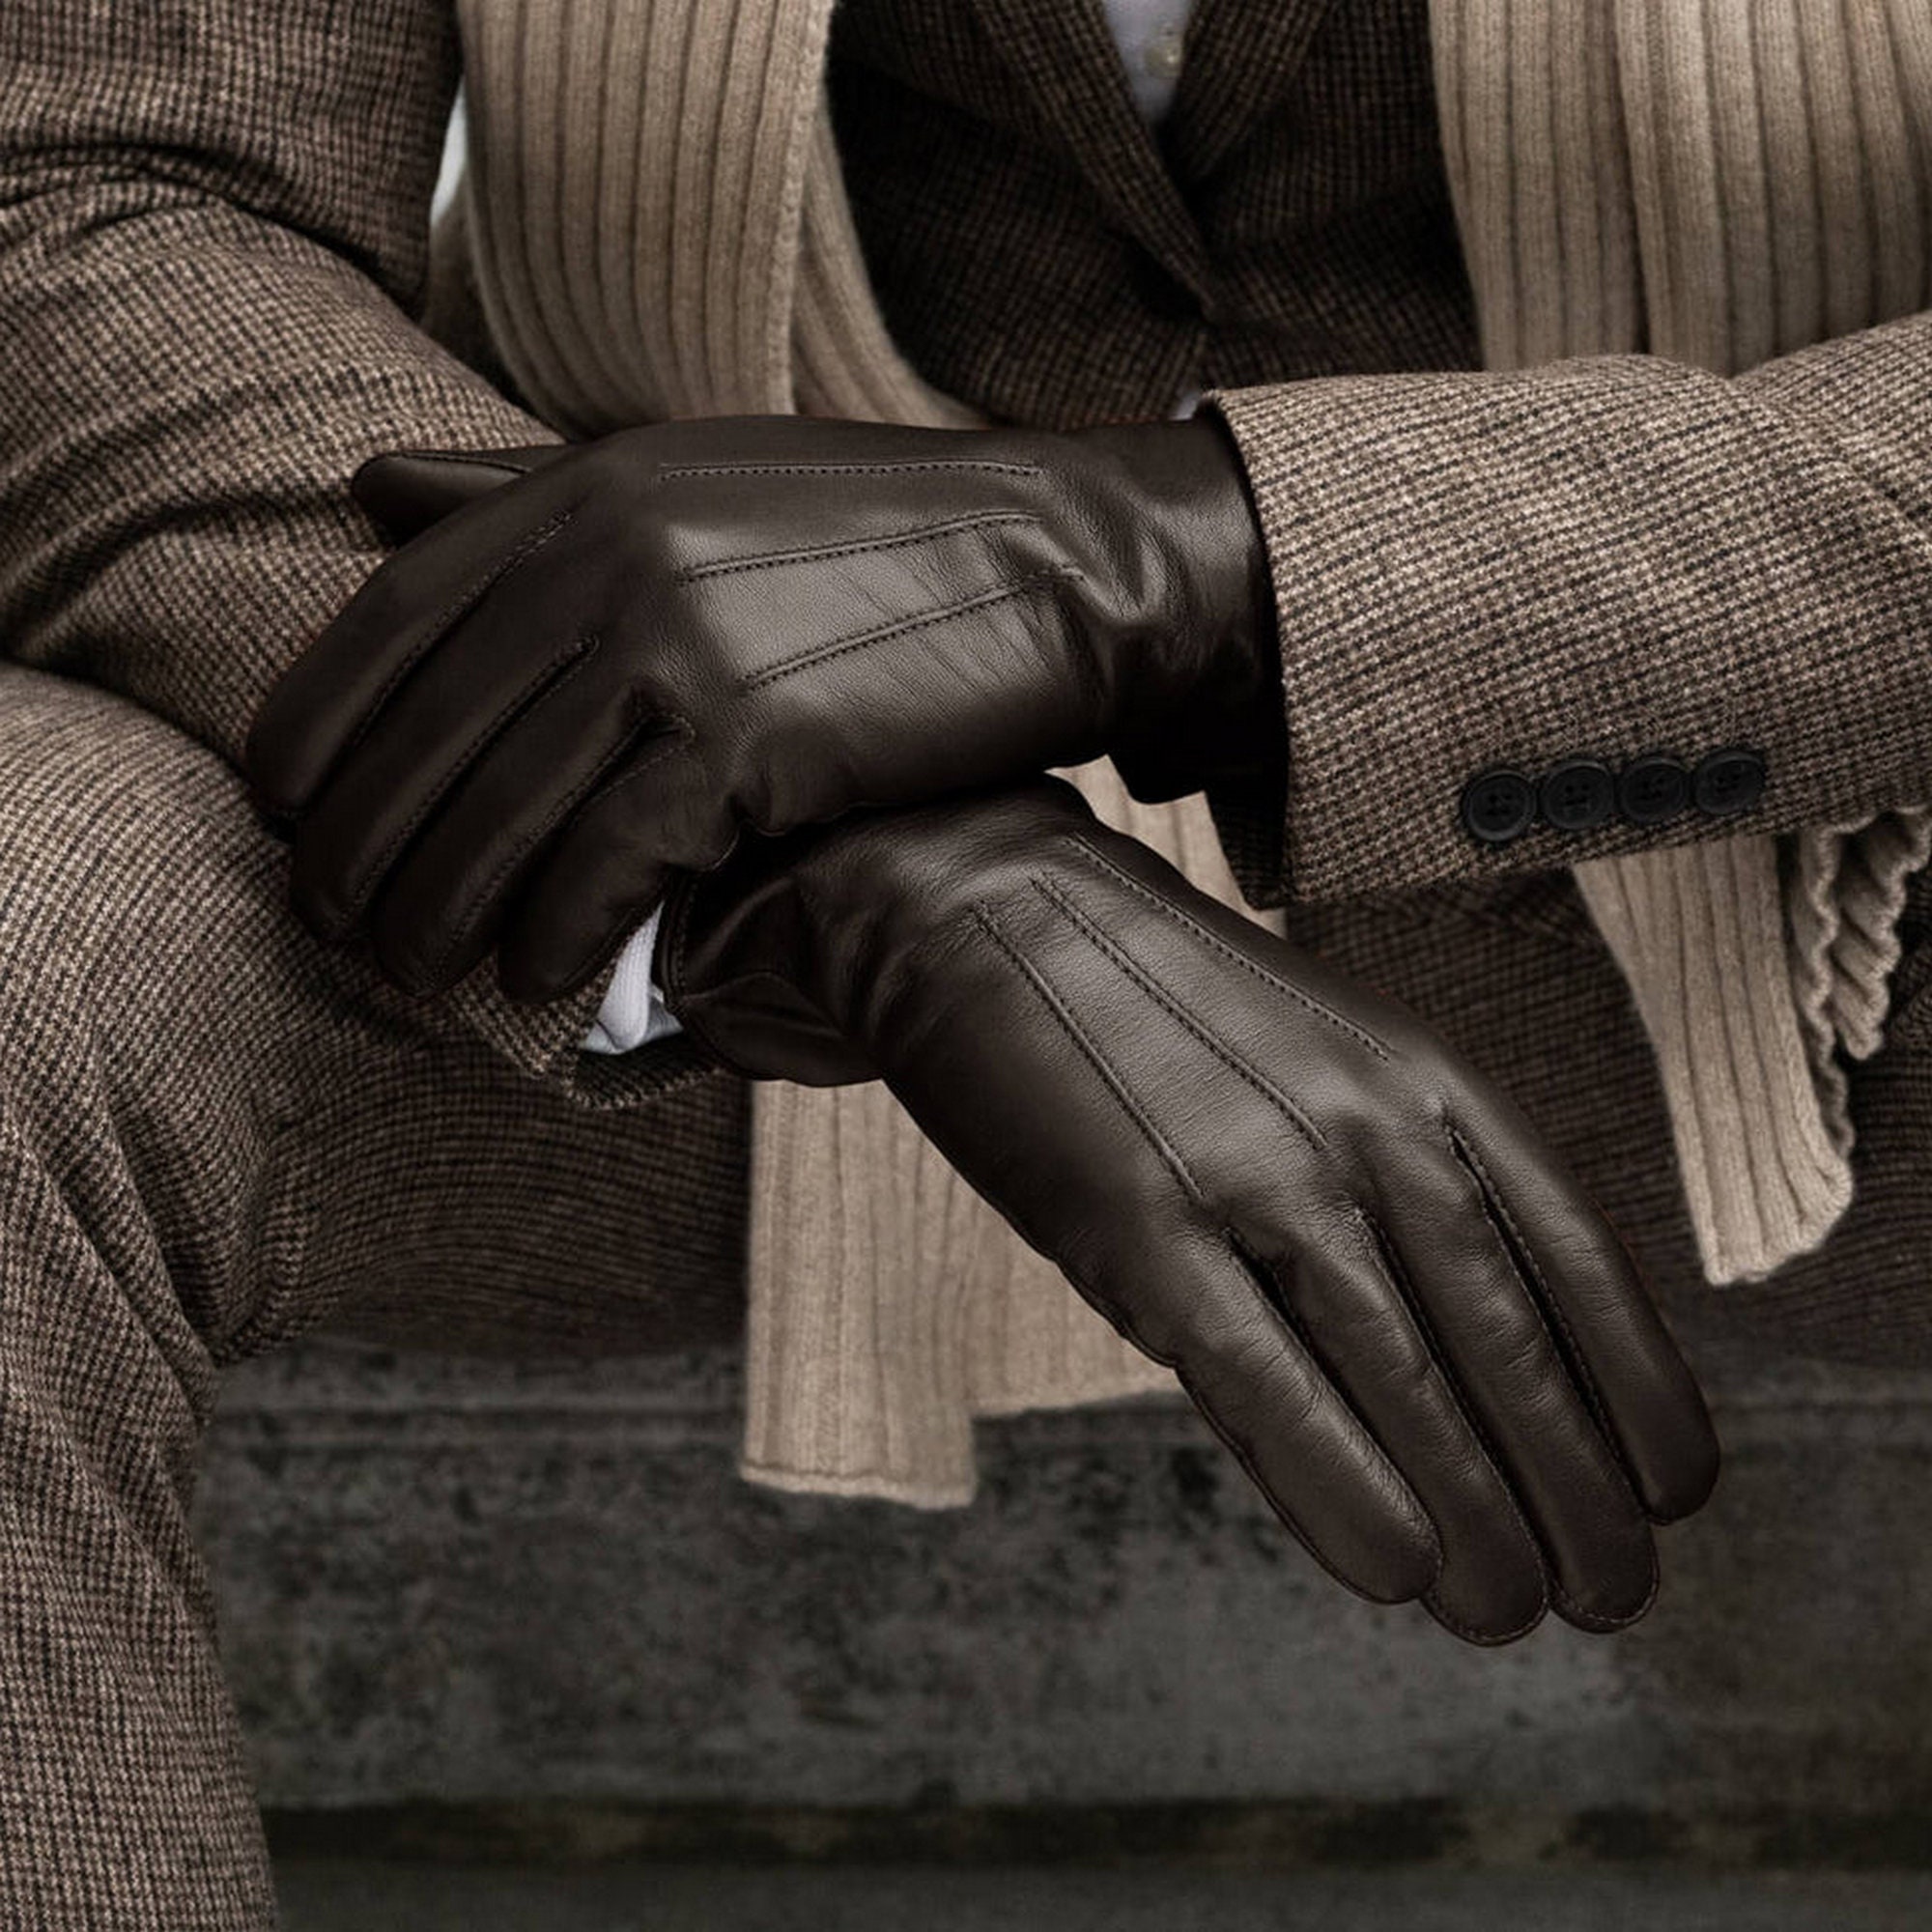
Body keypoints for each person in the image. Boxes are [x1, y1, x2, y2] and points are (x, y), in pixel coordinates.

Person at [0, 0, 1927, 1922]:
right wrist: (827, 837)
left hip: (1811, 837)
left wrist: (1172, 567)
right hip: (678, 762)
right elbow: (108, 194)